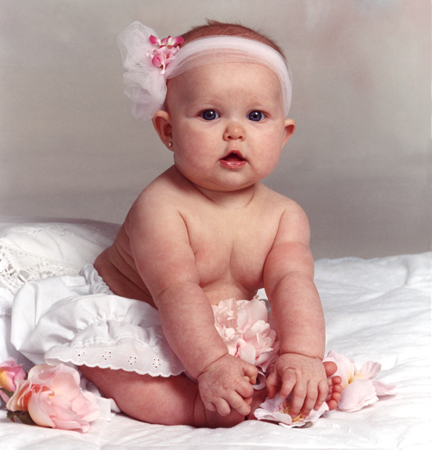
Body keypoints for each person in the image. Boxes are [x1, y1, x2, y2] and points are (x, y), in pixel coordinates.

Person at [11, 20, 342, 428]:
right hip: (142, 312)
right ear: (168, 130)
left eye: (256, 115)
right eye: (209, 114)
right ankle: (192, 408)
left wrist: (301, 355)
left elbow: (293, 284)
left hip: (212, 328)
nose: (234, 131)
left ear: (283, 133)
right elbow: (175, 291)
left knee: (285, 357)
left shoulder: (285, 216)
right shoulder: (163, 207)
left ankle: (270, 385)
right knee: (109, 359)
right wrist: (211, 366)